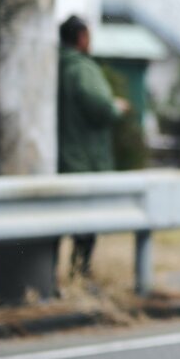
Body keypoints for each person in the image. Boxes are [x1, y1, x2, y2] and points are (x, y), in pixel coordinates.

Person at [56, 15, 129, 276]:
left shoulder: (52, 66)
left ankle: (51, 278)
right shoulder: (82, 69)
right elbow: (99, 107)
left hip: (58, 158)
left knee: (52, 223)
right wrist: (116, 107)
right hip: (84, 158)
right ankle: (80, 274)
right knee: (85, 224)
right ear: (82, 37)